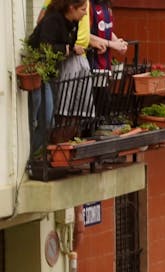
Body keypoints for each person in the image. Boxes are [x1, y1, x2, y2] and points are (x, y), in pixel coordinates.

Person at [27, 0, 91, 156]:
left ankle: (35, 155)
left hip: (53, 73)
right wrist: (66, 48)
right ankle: (33, 156)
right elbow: (44, 46)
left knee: (49, 120)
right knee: (46, 118)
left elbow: (68, 43)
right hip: (40, 72)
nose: (85, 13)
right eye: (83, 9)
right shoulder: (53, 20)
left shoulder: (72, 23)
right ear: (71, 8)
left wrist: (71, 47)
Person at [85, 1, 127, 72]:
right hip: (92, 62)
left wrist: (118, 43)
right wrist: (111, 44)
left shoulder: (106, 4)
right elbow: (85, 34)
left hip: (105, 62)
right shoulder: (87, 5)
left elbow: (106, 28)